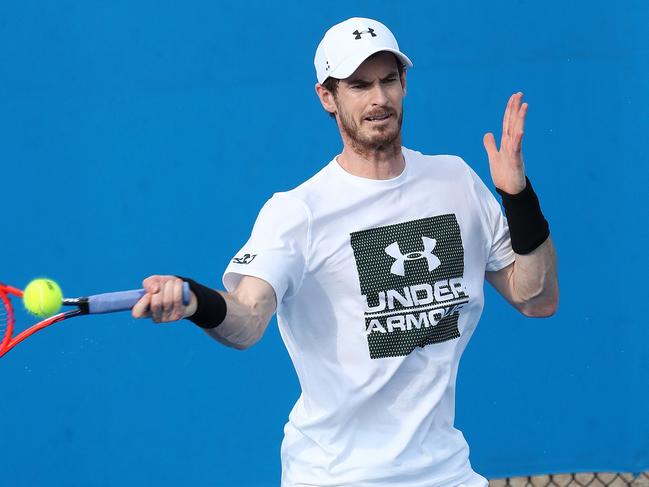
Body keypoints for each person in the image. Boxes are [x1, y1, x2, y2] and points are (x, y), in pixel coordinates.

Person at [133, 17, 559, 487]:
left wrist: (518, 198)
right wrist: (196, 301)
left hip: (446, 473)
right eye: (359, 85)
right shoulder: (298, 212)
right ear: (327, 97)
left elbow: (536, 298)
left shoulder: (455, 180)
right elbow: (247, 319)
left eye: (388, 80)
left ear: (404, 84)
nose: (379, 99)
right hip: (337, 477)